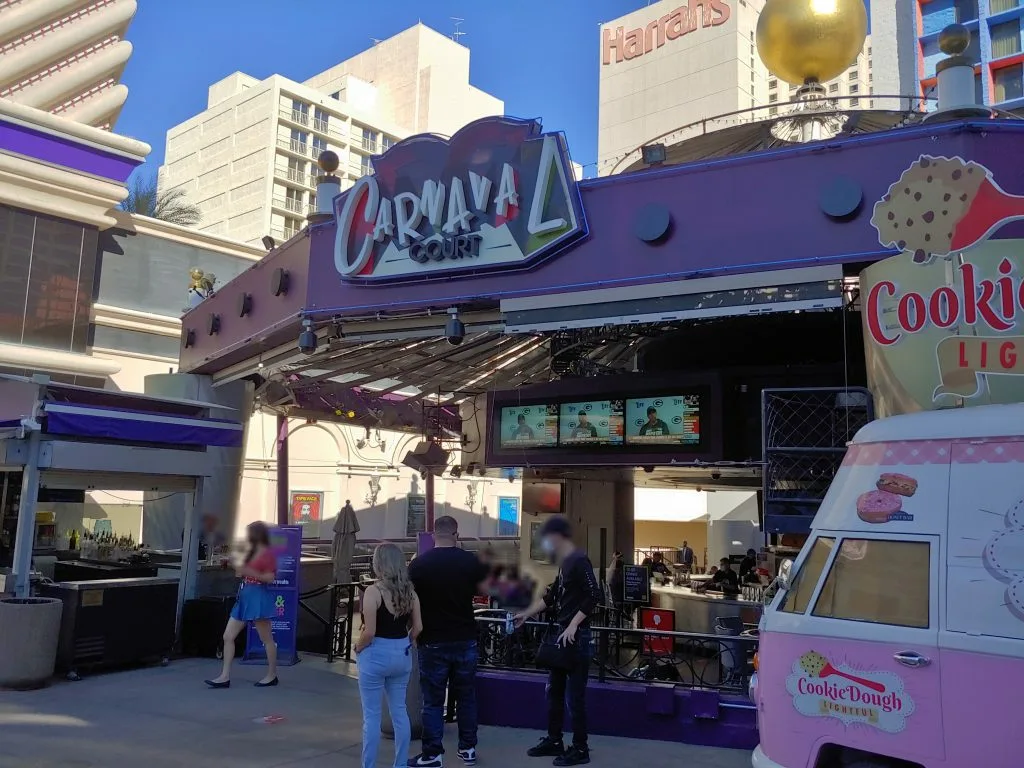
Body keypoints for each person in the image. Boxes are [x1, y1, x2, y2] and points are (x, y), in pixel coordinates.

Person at [515, 516, 601, 766]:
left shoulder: (579, 560)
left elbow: (594, 595)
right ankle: (554, 740)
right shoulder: (565, 563)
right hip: (562, 636)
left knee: (575, 698)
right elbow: (552, 597)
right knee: (553, 691)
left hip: (576, 637)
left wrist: (574, 624)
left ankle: (580, 748)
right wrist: (527, 614)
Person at [408, 516, 490, 768]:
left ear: (434, 534)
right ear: (456, 534)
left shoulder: (419, 565)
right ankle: (467, 749)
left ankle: (432, 754)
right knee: (466, 696)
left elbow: (409, 599)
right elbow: (485, 591)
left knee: (432, 700)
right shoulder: (470, 561)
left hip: (431, 640)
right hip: (465, 638)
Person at [356, 543, 423, 768]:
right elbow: (419, 628)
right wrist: (408, 640)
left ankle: (369, 765)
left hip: (376, 653)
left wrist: (358, 647)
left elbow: (370, 631)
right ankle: (400, 763)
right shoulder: (410, 592)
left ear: (379, 563)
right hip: (401, 652)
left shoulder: (373, 592)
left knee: (372, 717)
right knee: (399, 712)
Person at [205, 521, 278, 689]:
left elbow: (269, 578)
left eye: (249, 533)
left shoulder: (267, 554)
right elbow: (242, 573)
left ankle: (271, 674)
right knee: (228, 636)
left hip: (258, 596)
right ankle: (224, 676)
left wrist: (249, 572)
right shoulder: (250, 552)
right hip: (245, 595)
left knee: (266, 638)